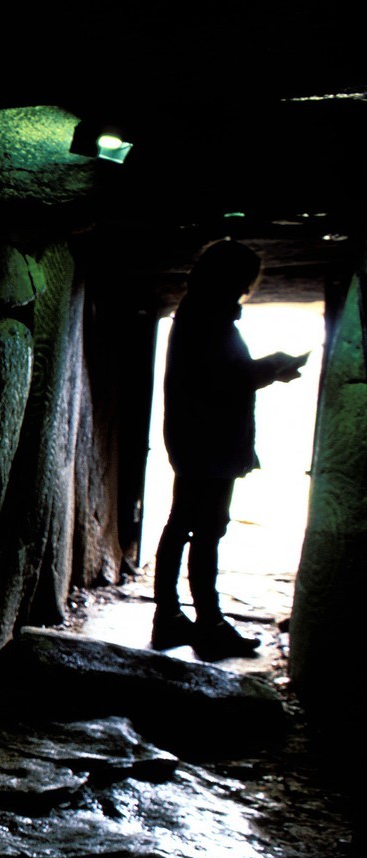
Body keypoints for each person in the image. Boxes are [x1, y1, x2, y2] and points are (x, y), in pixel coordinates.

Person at [150, 240, 307, 659]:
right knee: (206, 530)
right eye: (243, 279)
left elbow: (217, 378)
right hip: (209, 442)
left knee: (184, 525)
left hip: (198, 439)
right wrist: (272, 365)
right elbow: (221, 381)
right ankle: (210, 623)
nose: (245, 288)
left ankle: (171, 618)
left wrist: (267, 370)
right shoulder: (209, 317)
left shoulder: (198, 313)